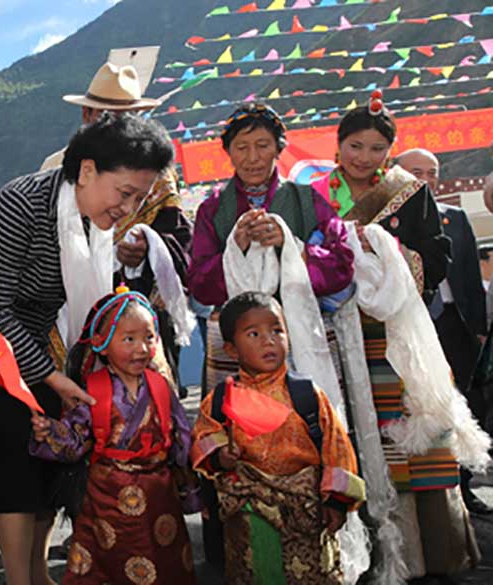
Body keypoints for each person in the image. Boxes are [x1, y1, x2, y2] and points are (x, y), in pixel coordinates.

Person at [0, 113, 174, 585]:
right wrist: (56, 377)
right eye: (124, 194)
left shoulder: (93, 221)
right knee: (16, 461)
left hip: (29, 345)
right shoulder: (21, 204)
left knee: (48, 459)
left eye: (139, 199)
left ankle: (39, 575)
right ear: (85, 171)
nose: (127, 209)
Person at [312, 100, 485, 580]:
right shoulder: (315, 195)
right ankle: (367, 554)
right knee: (353, 433)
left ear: (389, 151)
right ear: (338, 144)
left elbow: (437, 254)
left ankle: (433, 551)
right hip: (340, 329)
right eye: (355, 146)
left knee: (417, 436)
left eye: (376, 148)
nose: (364, 157)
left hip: (399, 330)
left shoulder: (407, 192)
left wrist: (386, 252)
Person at [190, 292, 364, 584]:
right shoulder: (220, 400)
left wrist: (336, 502)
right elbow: (204, 439)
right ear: (232, 349)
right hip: (248, 517)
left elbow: (336, 447)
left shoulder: (307, 395)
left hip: (306, 514)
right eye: (254, 333)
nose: (268, 340)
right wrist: (221, 455)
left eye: (277, 330)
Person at [29, 287, 197, 584]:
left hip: (159, 494)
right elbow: (76, 438)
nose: (141, 348)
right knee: (106, 564)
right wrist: (51, 433)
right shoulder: (93, 389)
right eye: (129, 338)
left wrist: (193, 475)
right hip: (107, 497)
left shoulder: (160, 386)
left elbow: (182, 436)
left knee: (166, 562)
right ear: (101, 344)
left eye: (148, 337)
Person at [43, 62, 193, 390]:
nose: (118, 127)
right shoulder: (56, 167)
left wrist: (147, 249)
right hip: (71, 307)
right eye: (106, 116)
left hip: (139, 309)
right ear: (87, 116)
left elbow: (179, 237)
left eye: (127, 117)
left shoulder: (158, 172)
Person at [187, 102, 353, 394]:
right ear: (228, 152)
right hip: (235, 342)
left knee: (308, 419)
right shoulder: (213, 208)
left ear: (278, 149)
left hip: (298, 332)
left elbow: (342, 264)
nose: (253, 158)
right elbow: (199, 283)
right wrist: (234, 252)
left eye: (263, 145)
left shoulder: (307, 201)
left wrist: (293, 248)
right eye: (242, 147)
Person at [396, 149, 491, 516]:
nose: (425, 178)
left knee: (463, 407)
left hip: (454, 326)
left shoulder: (457, 218)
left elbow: (468, 277)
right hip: (413, 328)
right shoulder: (389, 221)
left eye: (431, 172)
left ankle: (464, 490)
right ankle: (428, 496)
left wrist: (478, 330)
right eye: (415, 171)